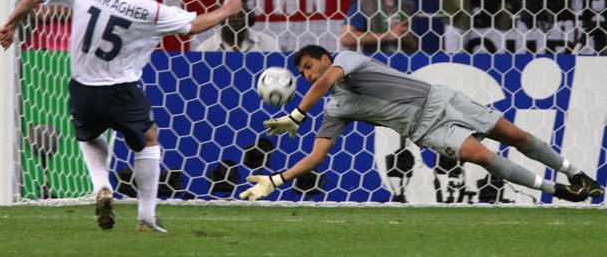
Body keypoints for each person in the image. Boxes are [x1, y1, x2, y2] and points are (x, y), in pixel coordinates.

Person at [0, 0, 243, 232]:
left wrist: (10, 24)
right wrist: (226, 10)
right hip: (120, 89)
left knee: (89, 136)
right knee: (149, 138)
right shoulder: (148, 10)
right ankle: (147, 218)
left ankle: (101, 186)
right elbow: (196, 25)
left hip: (81, 87)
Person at [240, 45, 603, 202]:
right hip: (425, 130)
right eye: (301, 73)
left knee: (516, 134)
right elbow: (317, 157)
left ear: (323, 58)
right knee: (481, 156)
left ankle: (574, 173)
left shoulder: (346, 60)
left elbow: (323, 82)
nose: (306, 76)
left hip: (442, 100)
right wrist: (276, 180)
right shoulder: (334, 109)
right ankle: (558, 191)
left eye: (307, 67)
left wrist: (297, 114)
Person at [195, 0, 281, 52]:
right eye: (230, 14)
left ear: (249, 16)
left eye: (241, 14)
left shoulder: (269, 44)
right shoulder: (205, 49)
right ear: (219, 18)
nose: (236, 19)